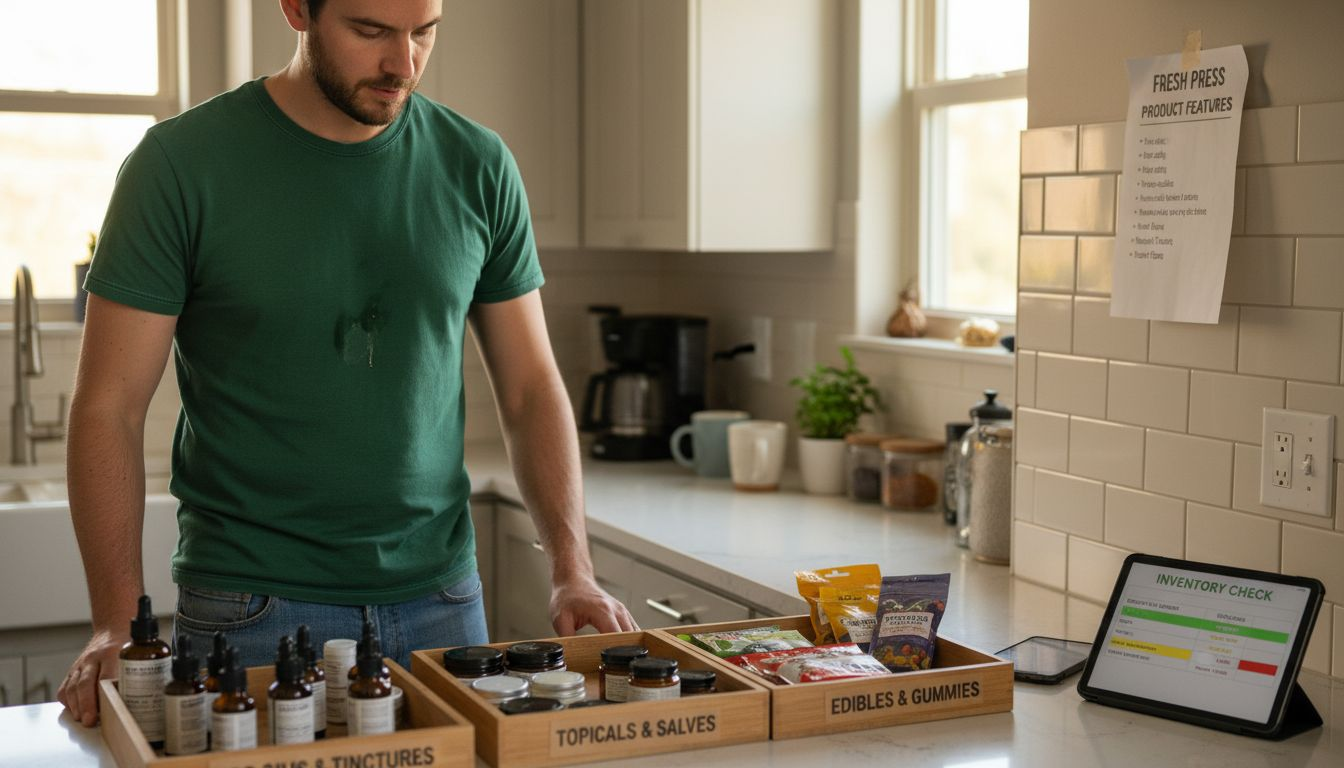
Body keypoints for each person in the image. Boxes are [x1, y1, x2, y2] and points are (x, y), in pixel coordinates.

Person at [57, 0, 634, 727]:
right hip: (253, 606)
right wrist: (115, 624)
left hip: (445, 605)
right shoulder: (179, 165)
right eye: (370, 32)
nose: (404, 64)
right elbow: (108, 406)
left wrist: (571, 569)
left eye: (424, 31)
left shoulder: (478, 163)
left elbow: (529, 388)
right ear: (298, 9)